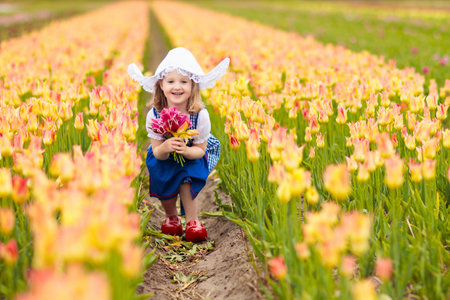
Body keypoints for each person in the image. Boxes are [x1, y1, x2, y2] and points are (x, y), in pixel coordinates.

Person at [128, 47, 230, 242]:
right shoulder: (154, 115)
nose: (178, 86)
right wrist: (166, 148)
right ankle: (171, 218)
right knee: (164, 180)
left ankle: (192, 221)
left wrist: (186, 150)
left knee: (186, 178)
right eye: (171, 81)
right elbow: (157, 151)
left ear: (193, 86)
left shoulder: (199, 115)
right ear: (161, 85)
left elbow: (200, 150)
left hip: (191, 155)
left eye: (184, 82)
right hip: (163, 157)